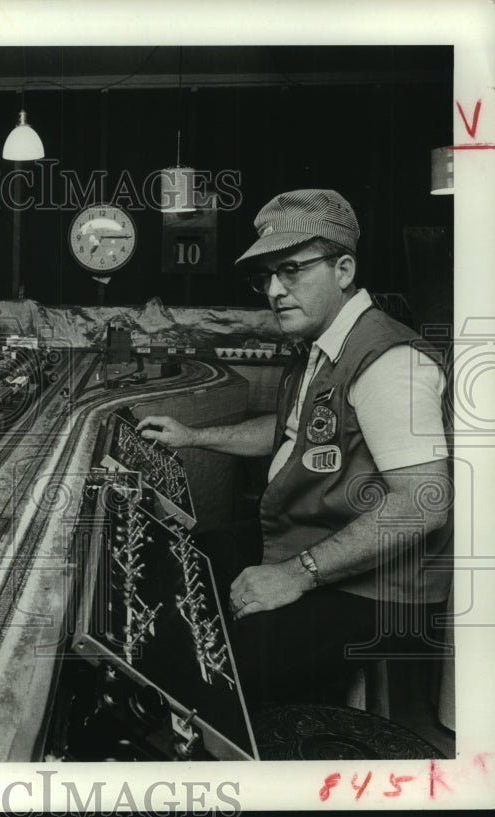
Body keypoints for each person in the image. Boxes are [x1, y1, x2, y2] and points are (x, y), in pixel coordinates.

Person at [137, 189, 452, 707]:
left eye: (293, 270)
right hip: (315, 537)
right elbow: (294, 431)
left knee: (218, 673)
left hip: (381, 589)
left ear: (344, 269)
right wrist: (195, 436)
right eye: (266, 277)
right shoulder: (322, 344)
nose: (275, 291)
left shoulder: (389, 361)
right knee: (188, 558)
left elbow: (422, 502)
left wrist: (294, 575)